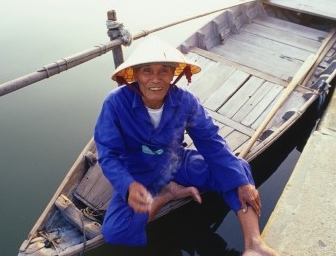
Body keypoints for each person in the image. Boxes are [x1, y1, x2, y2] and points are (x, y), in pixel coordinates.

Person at [94, 35, 278, 255]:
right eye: (147, 71)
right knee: (114, 231)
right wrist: (128, 185)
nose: (156, 79)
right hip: (137, 172)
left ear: (173, 74)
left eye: (163, 70)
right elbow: (108, 154)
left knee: (238, 169)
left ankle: (254, 244)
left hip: (175, 161)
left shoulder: (185, 101)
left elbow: (211, 142)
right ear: (136, 75)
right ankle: (167, 194)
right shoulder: (115, 103)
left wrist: (242, 183)